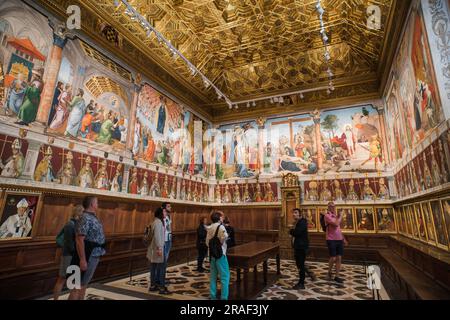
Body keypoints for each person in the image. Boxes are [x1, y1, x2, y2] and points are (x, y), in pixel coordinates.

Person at [69, 196, 106, 300]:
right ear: (92, 204)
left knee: (83, 284)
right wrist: (82, 260)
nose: (98, 205)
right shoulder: (85, 217)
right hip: (87, 255)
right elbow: (79, 239)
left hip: (93, 255)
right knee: (76, 286)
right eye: (97, 203)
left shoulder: (92, 217)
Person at [53, 205, 84, 300]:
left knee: (67, 281)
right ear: (79, 213)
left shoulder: (75, 224)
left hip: (69, 256)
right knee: (63, 280)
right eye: (83, 213)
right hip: (70, 256)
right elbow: (70, 244)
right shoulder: (70, 225)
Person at [206, 211, 230, 300]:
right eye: (221, 217)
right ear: (219, 218)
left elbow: (207, 242)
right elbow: (225, 236)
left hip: (212, 255)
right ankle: (224, 297)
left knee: (213, 277)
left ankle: (213, 296)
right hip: (221, 255)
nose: (222, 218)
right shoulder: (221, 226)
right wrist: (220, 243)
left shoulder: (210, 227)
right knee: (225, 277)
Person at [147, 207, 171, 295]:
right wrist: (160, 248)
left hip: (154, 249)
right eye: (164, 212)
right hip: (158, 249)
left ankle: (153, 286)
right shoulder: (158, 223)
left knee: (153, 268)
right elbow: (157, 236)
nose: (166, 213)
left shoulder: (155, 221)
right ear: (160, 213)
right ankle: (161, 288)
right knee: (162, 268)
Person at [324, 202, 347, 284]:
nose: (333, 208)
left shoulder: (336, 216)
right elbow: (336, 224)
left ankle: (337, 276)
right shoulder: (327, 216)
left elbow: (339, 229)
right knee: (333, 258)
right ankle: (329, 272)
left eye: (334, 206)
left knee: (339, 258)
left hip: (339, 239)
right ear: (328, 207)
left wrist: (343, 238)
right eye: (331, 206)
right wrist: (341, 215)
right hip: (331, 239)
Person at [289, 208, 309, 289]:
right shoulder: (298, 222)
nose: (294, 214)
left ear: (300, 214)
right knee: (300, 264)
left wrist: (291, 231)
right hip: (298, 246)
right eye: (293, 213)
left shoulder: (302, 222)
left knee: (300, 265)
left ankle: (301, 283)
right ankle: (303, 279)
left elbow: (297, 232)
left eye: (296, 213)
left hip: (301, 247)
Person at [160, 202, 172, 293]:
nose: (170, 207)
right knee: (162, 263)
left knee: (165, 262)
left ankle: (162, 280)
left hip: (168, 240)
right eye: (168, 206)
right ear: (163, 208)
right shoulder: (161, 218)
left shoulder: (168, 216)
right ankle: (160, 282)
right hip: (163, 242)